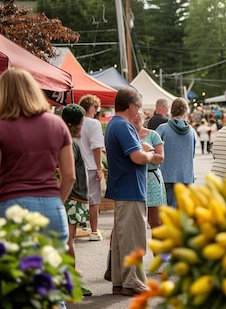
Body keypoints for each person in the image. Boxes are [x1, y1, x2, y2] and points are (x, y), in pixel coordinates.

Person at [0, 67, 75, 246]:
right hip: (52, 208)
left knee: (18, 271)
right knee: (49, 270)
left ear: (2, 94)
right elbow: (70, 176)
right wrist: (55, 201)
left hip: (13, 206)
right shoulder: (57, 124)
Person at [104, 87, 163, 296]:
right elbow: (137, 157)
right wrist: (149, 153)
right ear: (131, 105)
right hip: (131, 188)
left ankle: (121, 281)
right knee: (133, 238)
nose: (139, 110)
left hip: (122, 187)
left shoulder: (114, 124)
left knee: (122, 238)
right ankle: (133, 282)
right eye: (138, 105)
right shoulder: (124, 126)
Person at [60, 104, 93, 297]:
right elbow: (68, 172)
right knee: (68, 242)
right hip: (72, 196)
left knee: (67, 241)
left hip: (73, 196)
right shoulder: (69, 142)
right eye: (80, 123)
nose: (82, 126)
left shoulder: (67, 139)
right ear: (71, 124)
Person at [156, 97, 198, 208]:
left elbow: (154, 151)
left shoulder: (162, 129)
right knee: (183, 213)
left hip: (166, 175)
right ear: (185, 111)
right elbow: (192, 155)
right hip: (186, 176)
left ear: (171, 110)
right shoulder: (192, 132)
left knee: (167, 212)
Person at [78, 94, 105, 241]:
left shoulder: (75, 122)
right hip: (90, 166)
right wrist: (99, 168)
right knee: (94, 200)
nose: (96, 111)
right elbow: (96, 147)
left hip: (76, 166)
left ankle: (73, 229)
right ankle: (94, 231)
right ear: (91, 107)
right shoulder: (94, 124)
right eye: (96, 108)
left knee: (76, 199)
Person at [133, 110, 166, 228]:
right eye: (133, 115)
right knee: (134, 220)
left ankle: (157, 246)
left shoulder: (153, 135)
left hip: (152, 178)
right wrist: (146, 154)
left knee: (155, 221)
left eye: (139, 115)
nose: (136, 118)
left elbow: (160, 158)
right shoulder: (127, 135)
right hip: (134, 178)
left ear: (143, 117)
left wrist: (145, 153)